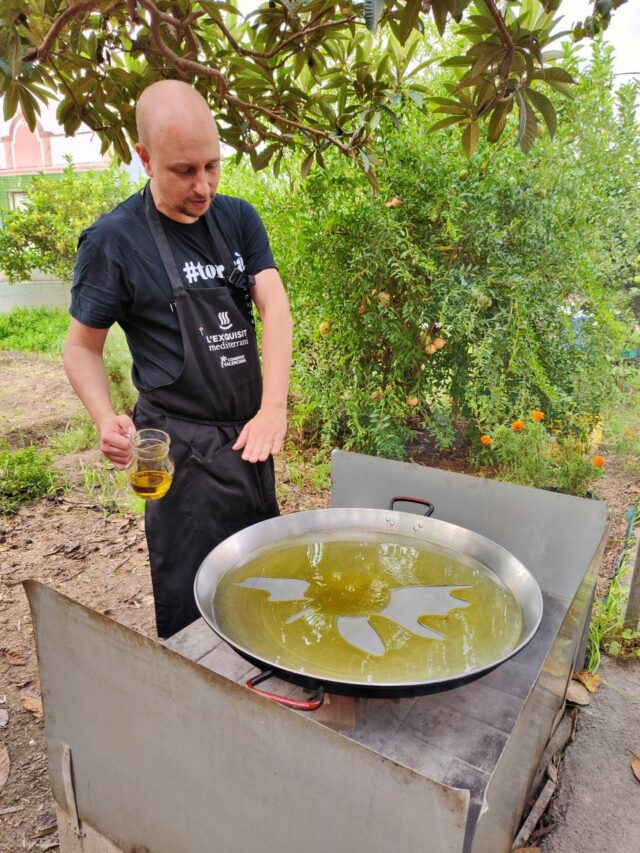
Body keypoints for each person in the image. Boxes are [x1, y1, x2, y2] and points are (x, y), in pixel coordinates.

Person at [63, 80, 293, 639]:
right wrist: (103, 419)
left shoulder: (237, 218)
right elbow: (80, 346)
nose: (203, 186)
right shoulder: (114, 241)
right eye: (184, 171)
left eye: (212, 166)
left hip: (247, 441)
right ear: (144, 157)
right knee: (195, 603)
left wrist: (273, 409)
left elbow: (276, 310)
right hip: (179, 451)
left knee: (263, 582)